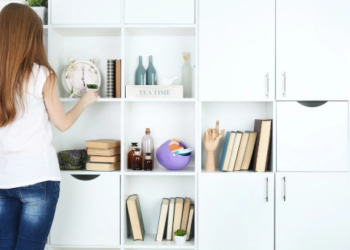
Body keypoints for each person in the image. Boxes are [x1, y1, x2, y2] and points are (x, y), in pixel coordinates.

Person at [0, 3, 99, 250]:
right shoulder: (42, 74)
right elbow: (63, 123)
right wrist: (85, 101)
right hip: (38, 177)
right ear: (30, 36)